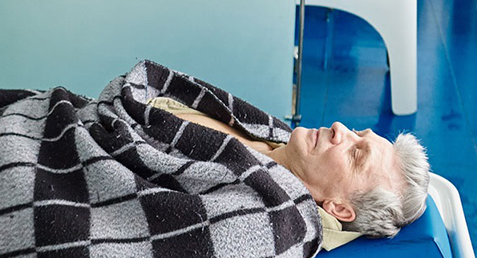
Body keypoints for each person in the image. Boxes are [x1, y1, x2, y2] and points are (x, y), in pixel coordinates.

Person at [154, 98, 430, 239]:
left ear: (339, 208)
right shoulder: (278, 138)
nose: (339, 127)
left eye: (355, 154)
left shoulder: (247, 206)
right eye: (358, 133)